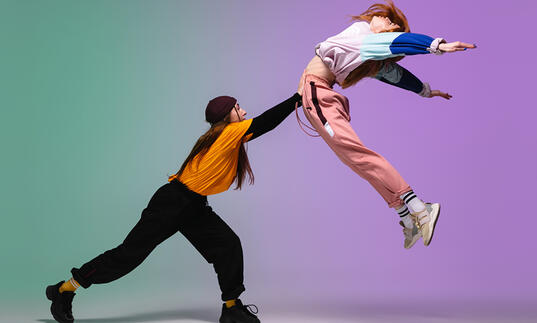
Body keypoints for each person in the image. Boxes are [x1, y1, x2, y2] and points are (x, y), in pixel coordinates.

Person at [46, 92, 302, 323]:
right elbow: (266, 122)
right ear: (228, 115)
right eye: (238, 107)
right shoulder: (228, 132)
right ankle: (65, 290)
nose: (244, 112)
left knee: (228, 244)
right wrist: (297, 99)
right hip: (171, 203)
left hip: (193, 205)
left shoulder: (223, 136)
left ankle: (232, 308)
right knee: (127, 256)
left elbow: (260, 123)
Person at [296, 0, 475, 249]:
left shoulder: (365, 37)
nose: (385, 20)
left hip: (318, 96)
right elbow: (395, 75)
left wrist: (437, 45)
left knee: (359, 157)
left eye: (392, 25)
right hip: (315, 97)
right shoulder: (364, 50)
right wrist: (426, 90)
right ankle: (407, 217)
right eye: (388, 19)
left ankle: (419, 207)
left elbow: (398, 43)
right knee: (356, 161)